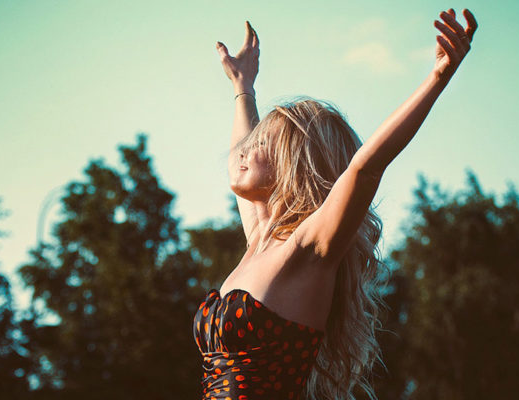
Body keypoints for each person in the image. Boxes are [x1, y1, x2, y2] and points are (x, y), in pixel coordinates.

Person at [193, 8, 478, 400]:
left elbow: (365, 168)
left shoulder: (308, 249)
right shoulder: (259, 239)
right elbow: (238, 158)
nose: (243, 152)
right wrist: (244, 87)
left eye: (260, 146)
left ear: (290, 166)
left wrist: (437, 77)